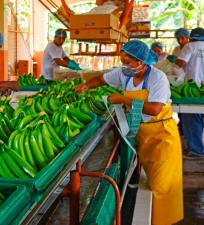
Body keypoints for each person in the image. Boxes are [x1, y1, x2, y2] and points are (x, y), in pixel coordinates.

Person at [76, 40, 183, 225]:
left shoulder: (157, 78)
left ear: (142, 61)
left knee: (162, 186)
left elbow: (155, 109)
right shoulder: (124, 74)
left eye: (128, 62)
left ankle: (165, 220)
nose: (124, 65)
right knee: (150, 181)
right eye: (123, 61)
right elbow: (101, 79)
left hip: (161, 136)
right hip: (143, 134)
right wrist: (86, 86)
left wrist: (123, 99)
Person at [175, 27, 204, 158]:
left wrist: (173, 60)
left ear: (191, 37)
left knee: (191, 118)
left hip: (193, 87)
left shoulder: (189, 46)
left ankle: (196, 150)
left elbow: (181, 63)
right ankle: (197, 146)